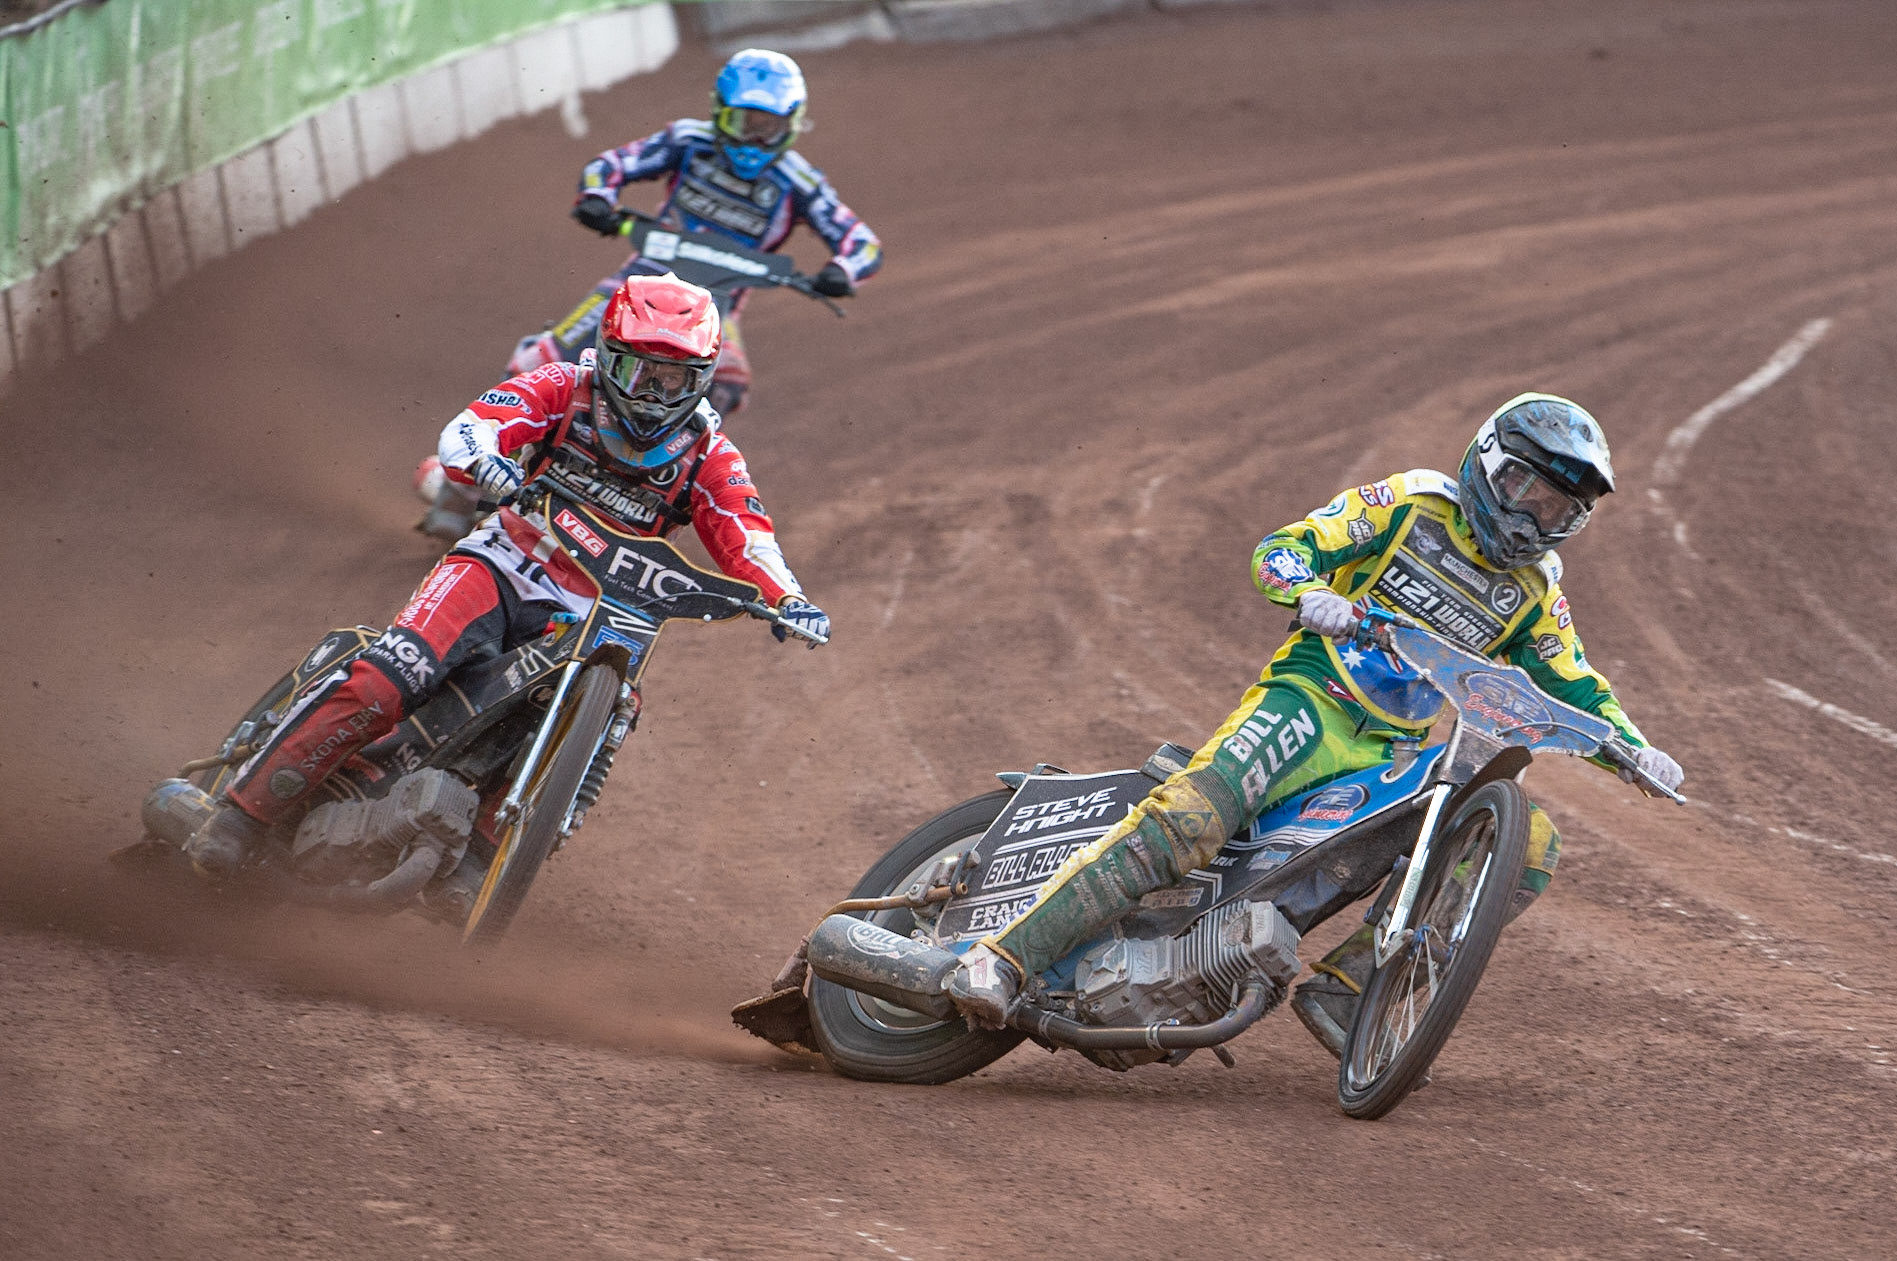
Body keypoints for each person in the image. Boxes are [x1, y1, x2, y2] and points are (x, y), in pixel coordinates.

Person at [945, 394, 1686, 1056]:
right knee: (1193, 819)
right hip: (1308, 699)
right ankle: (1001, 956)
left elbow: (1574, 685)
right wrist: (1308, 591)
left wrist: (1635, 748)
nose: (1531, 518)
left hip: (1386, 751)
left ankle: (1350, 988)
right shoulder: (1411, 504)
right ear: (1487, 465)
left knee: (1529, 842)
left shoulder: (1533, 592)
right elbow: (1281, 550)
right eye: (1524, 488)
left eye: (1556, 509)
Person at [186, 274, 830, 877]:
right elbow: (472, 428)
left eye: (672, 378)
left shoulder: (710, 453)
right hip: (500, 568)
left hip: (601, 613)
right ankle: (239, 817)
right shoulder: (562, 388)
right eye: (638, 372)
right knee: (394, 674)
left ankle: (478, 870)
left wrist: (787, 598)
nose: (652, 394)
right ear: (607, 354)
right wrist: (484, 464)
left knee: (605, 724)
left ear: (703, 378)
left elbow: (748, 533)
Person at [515, 46, 881, 415]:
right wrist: (597, 198)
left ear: (791, 124)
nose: (754, 141)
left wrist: (841, 272)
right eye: (744, 123)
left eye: (768, 129)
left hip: (714, 307)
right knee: (541, 360)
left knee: (727, 385)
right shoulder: (688, 140)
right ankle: (481, 441)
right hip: (642, 282)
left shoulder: (799, 182)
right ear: (719, 112)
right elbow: (611, 164)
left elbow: (862, 243)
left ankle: (666, 463)